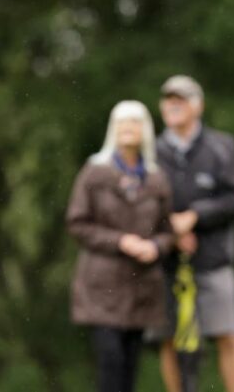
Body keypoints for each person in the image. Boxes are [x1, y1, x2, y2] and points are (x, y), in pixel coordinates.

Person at [66, 100, 175, 392]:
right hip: (102, 289)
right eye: (122, 122)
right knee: (110, 364)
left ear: (146, 130)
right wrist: (120, 241)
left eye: (135, 122)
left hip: (142, 287)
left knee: (129, 368)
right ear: (113, 129)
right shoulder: (94, 172)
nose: (128, 128)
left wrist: (156, 246)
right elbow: (77, 223)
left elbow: (168, 231)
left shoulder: (156, 177)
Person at [155, 75, 234, 392]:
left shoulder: (222, 146)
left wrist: (195, 217)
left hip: (214, 259)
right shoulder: (151, 151)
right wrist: (172, 229)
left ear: (198, 106)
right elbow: (142, 204)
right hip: (166, 261)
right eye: (168, 99)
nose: (173, 105)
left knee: (228, 334)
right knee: (168, 339)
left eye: (181, 99)